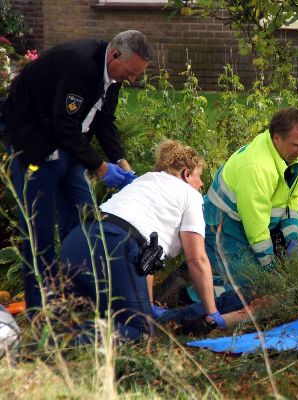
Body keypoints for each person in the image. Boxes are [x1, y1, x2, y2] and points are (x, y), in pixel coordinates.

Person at [0, 30, 151, 313]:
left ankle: (77, 301)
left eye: (136, 75)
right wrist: (98, 166)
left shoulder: (114, 75)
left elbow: (104, 120)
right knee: (39, 230)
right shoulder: (80, 65)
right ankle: (40, 311)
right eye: (131, 72)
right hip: (32, 140)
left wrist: (121, 162)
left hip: (66, 142)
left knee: (83, 222)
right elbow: (63, 123)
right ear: (114, 54)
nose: (131, 80)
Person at [60, 140, 224, 341]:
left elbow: (145, 260)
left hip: (78, 240)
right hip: (115, 245)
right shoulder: (190, 195)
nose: (201, 184)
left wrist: (147, 305)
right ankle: (55, 344)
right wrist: (212, 312)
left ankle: (52, 340)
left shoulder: (144, 181)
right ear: (187, 174)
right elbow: (196, 259)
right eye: (199, 177)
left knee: (100, 314)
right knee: (139, 330)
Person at [202, 107, 298, 305]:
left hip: (246, 225)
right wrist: (269, 267)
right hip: (220, 226)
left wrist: (293, 238)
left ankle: (210, 276)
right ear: (277, 139)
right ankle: (193, 295)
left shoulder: (288, 153)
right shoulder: (257, 168)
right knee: (249, 289)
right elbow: (256, 226)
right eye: (297, 145)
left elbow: (292, 199)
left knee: (260, 283)